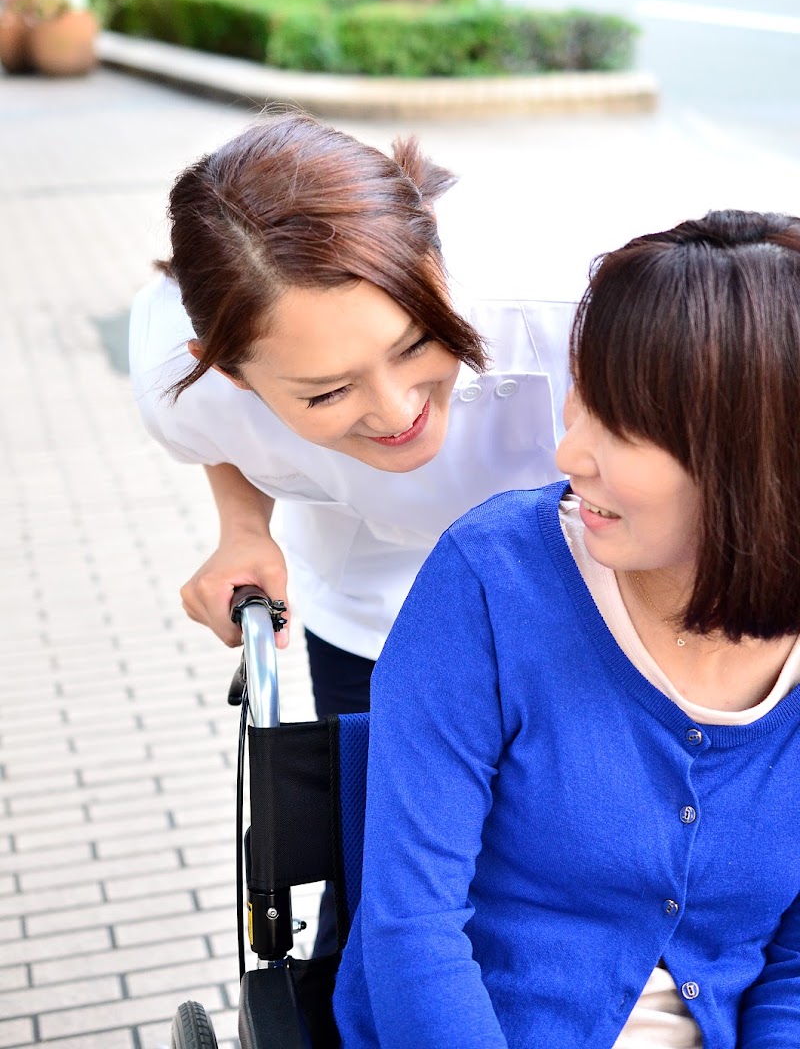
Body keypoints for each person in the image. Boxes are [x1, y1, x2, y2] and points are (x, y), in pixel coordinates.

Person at [333, 209, 800, 1049]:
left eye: (618, 430)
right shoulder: (492, 581)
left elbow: (794, 971)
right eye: (579, 402)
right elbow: (412, 928)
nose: (569, 456)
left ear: (750, 464)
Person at [128, 111, 572, 948]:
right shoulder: (181, 386)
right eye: (327, 393)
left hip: (578, 584)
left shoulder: (561, 311)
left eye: (415, 346)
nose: (398, 411)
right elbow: (221, 440)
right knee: (376, 875)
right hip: (371, 601)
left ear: (435, 259)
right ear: (230, 372)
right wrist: (241, 531)